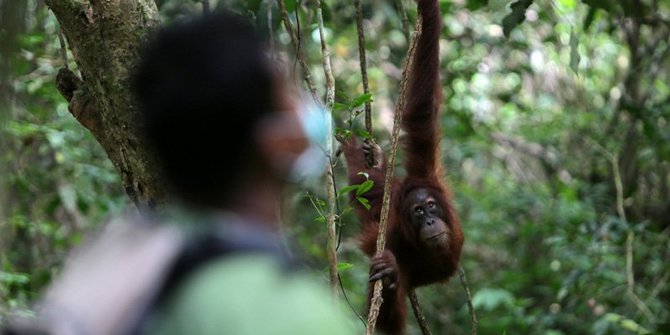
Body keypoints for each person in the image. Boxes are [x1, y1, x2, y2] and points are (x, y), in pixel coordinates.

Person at [3, 10, 355, 335]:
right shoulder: (291, 312)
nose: (305, 106)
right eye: (290, 94)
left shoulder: (113, 261)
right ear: (272, 141)